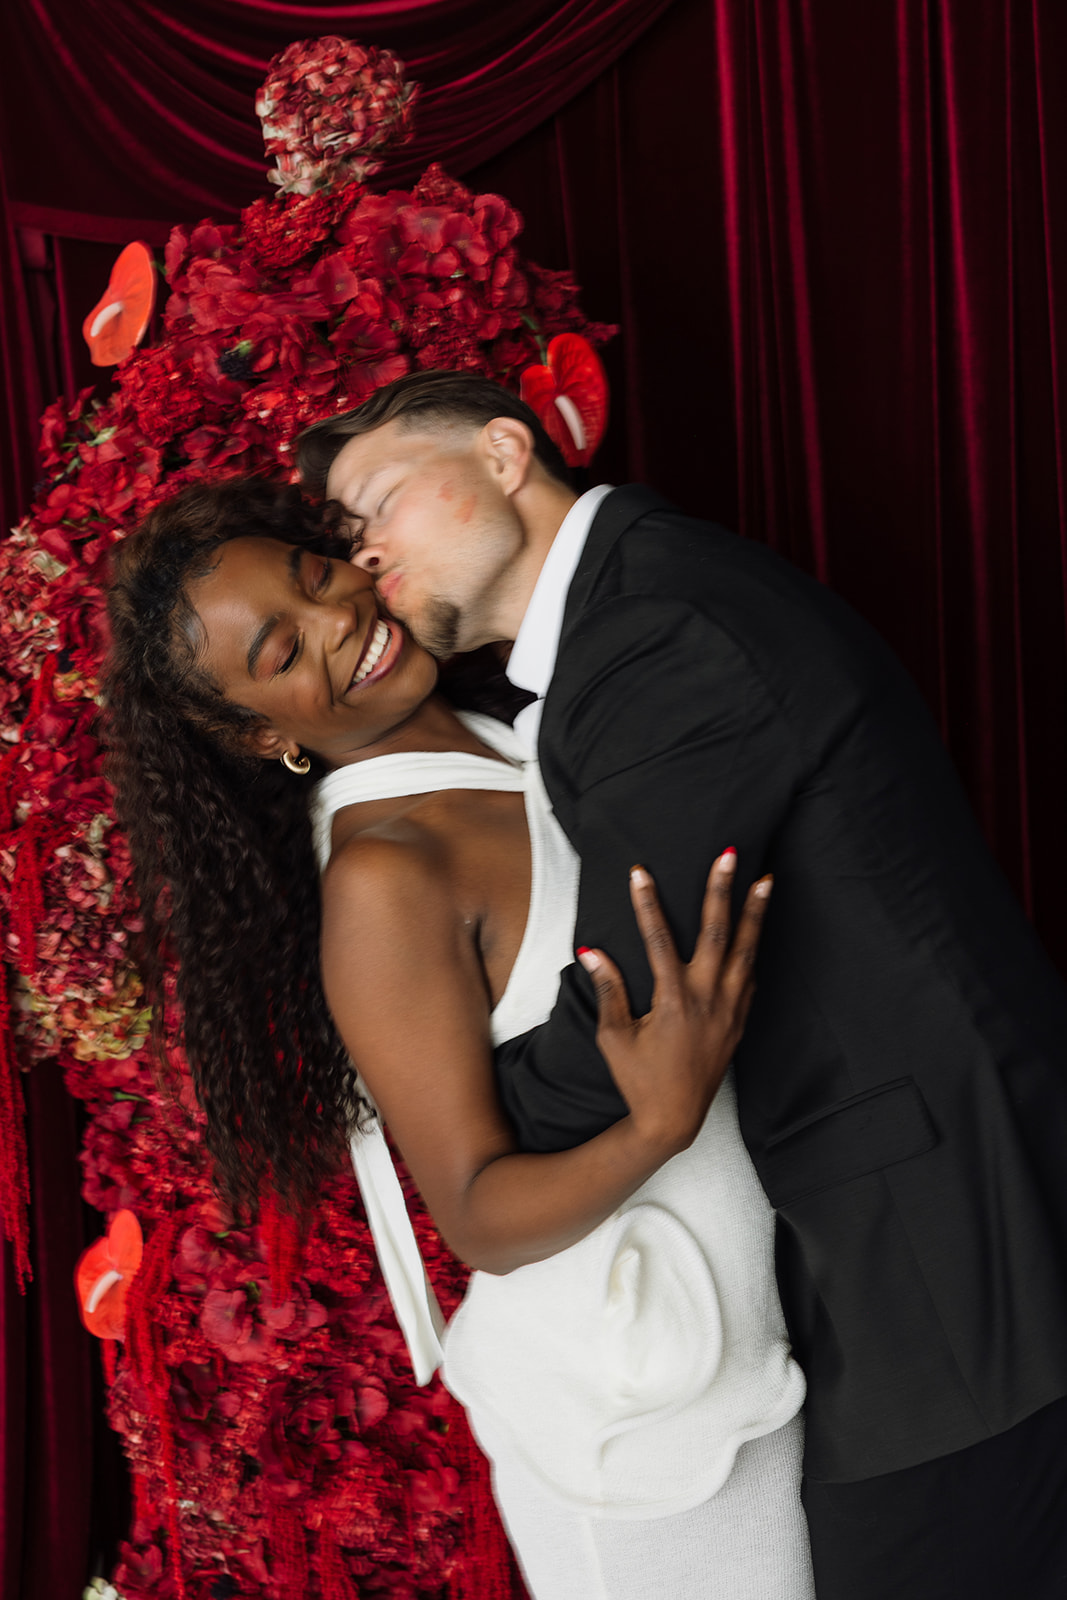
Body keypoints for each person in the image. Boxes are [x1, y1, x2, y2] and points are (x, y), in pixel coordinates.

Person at [297, 369, 1067, 1600]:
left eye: (380, 502)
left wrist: (474, 1142)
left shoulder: (655, 635)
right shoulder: (620, 624)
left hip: (943, 1226)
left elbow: (630, 1002)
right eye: (344, 538)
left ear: (505, 452)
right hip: (897, 1218)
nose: (366, 555)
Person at [103, 475, 815, 1600]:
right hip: (628, 1413)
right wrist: (656, 1123)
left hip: (749, 1334)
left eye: (312, 574)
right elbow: (479, 1212)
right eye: (284, 652)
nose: (341, 617)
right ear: (258, 730)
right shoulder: (387, 875)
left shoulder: (506, 727)